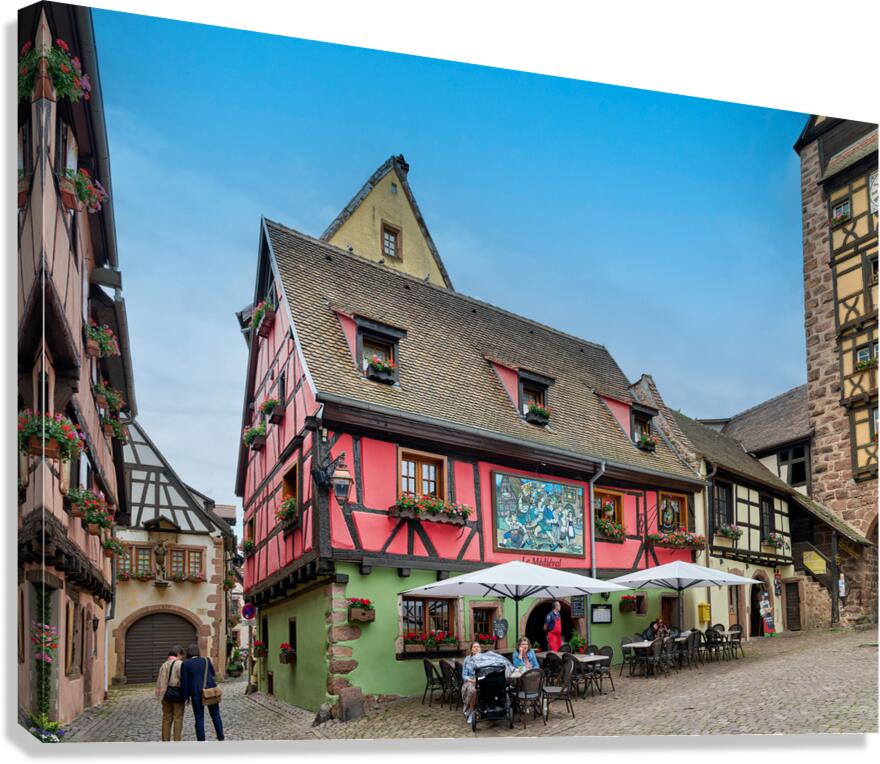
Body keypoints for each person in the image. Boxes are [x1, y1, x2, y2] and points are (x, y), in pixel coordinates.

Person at [460, 641, 512, 725]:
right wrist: (471, 680)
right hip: (471, 680)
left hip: (482, 680)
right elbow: (464, 675)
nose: (476, 648)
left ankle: (490, 706)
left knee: (493, 685)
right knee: (473, 690)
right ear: (471, 650)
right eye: (474, 647)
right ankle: (471, 711)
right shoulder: (467, 659)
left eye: (478, 647)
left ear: (480, 649)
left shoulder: (485, 658)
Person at [181, 643, 224, 741]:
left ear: (188, 653)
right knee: (216, 715)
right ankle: (221, 738)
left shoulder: (186, 664)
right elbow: (213, 673)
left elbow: (185, 682)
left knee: (199, 718)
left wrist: (186, 697)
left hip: (196, 693)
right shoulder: (206, 660)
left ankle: (201, 741)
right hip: (210, 691)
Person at [155, 645, 185, 741]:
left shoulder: (164, 664)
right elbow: (182, 680)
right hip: (176, 694)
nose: (182, 657)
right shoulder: (180, 664)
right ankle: (177, 741)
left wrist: (159, 695)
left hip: (165, 695)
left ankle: (165, 741)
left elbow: (159, 681)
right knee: (178, 718)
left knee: (166, 719)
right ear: (178, 654)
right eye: (181, 655)